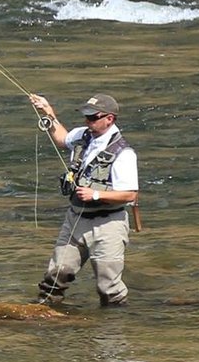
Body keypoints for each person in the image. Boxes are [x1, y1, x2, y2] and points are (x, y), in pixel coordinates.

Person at [27, 92, 139, 307]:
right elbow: (62, 138)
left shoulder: (124, 154)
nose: (88, 122)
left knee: (108, 288)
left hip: (108, 224)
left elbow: (130, 194)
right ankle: (46, 317)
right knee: (55, 275)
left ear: (110, 118)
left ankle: (113, 329)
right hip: (76, 219)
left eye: (93, 117)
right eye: (86, 117)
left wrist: (96, 194)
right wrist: (48, 112)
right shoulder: (83, 136)